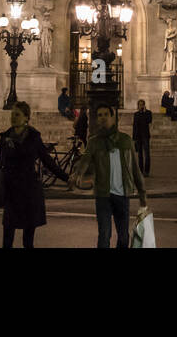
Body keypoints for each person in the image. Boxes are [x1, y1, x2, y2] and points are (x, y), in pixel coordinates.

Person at [0, 101, 71, 248]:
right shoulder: (5, 136)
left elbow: (47, 161)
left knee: (28, 241)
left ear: (26, 117)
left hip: (29, 191)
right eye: (12, 114)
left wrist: (66, 178)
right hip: (11, 191)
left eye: (17, 114)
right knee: (7, 237)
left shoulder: (34, 137)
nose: (13, 117)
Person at [71, 103, 148, 248]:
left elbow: (135, 169)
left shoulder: (125, 140)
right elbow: (85, 161)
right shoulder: (94, 142)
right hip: (103, 195)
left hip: (122, 194)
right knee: (104, 235)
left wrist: (142, 194)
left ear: (113, 117)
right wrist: (77, 175)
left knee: (124, 237)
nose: (103, 118)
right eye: (100, 115)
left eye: (106, 114)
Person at [132, 99, 152, 176]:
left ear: (144, 105)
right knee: (140, 154)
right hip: (138, 136)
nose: (141, 106)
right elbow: (134, 126)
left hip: (145, 135)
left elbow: (149, 121)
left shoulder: (148, 113)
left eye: (142, 104)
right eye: (139, 104)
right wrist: (134, 138)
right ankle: (140, 171)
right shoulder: (136, 114)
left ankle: (146, 171)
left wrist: (144, 112)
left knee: (147, 154)